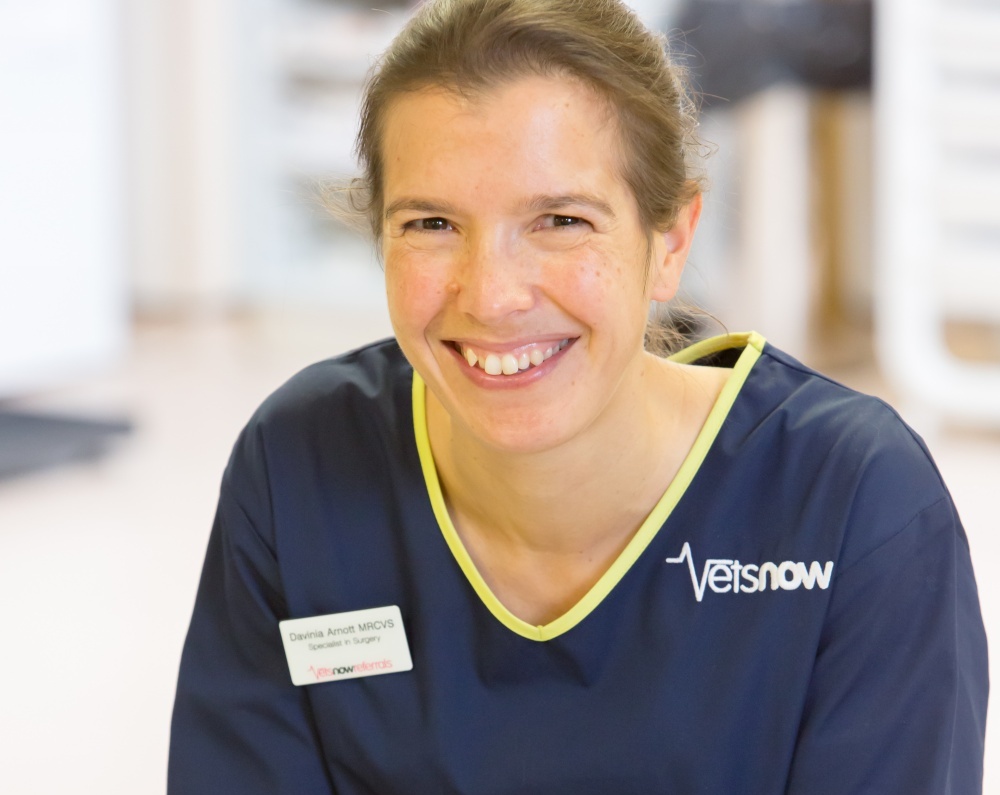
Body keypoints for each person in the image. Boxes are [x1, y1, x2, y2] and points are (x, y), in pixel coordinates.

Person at [167, 0, 988, 792]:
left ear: (669, 242)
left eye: (560, 220)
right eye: (431, 224)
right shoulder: (299, 466)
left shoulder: (851, 503)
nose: (490, 295)